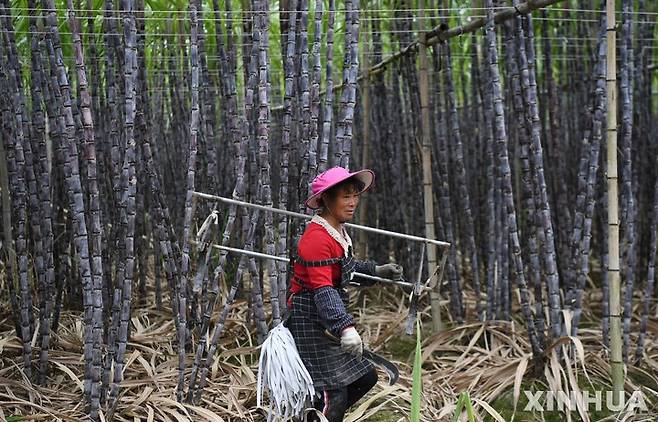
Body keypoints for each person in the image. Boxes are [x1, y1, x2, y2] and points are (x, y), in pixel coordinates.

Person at [286, 166, 403, 422]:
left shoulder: (336, 232)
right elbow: (324, 290)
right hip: (311, 322)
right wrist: (345, 328)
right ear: (326, 199)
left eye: (355, 195)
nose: (352, 203)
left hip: (326, 320)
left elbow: (344, 271)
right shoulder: (316, 239)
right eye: (345, 196)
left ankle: (311, 417)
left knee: (365, 377)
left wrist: (377, 271)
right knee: (334, 393)